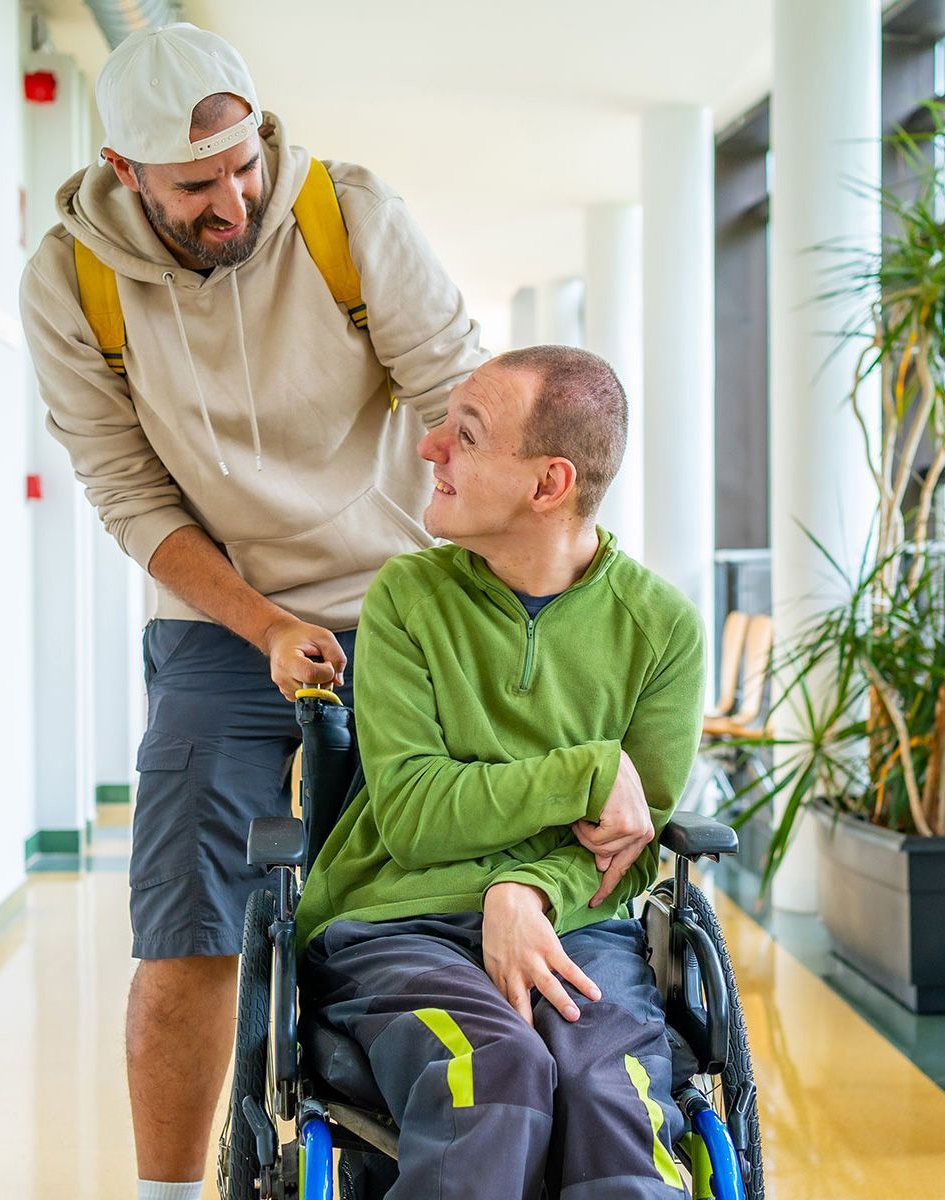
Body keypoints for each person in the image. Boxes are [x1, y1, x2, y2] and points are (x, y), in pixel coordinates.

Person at [18, 21, 485, 1198]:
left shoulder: (347, 218)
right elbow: (128, 494)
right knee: (185, 930)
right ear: (125, 172)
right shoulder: (70, 284)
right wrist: (264, 624)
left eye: (242, 166)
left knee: (436, 892)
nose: (233, 198)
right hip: (223, 619)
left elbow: (459, 400)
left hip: (402, 597)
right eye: (195, 184)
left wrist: (488, 586)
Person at [296, 347, 706, 1199]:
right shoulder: (408, 598)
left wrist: (523, 892)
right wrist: (587, 773)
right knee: (488, 1075)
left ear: (547, 485)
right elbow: (411, 815)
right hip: (396, 924)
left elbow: (629, 841)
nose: (430, 447)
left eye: (466, 435)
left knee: (611, 1098)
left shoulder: (660, 628)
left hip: (577, 929)